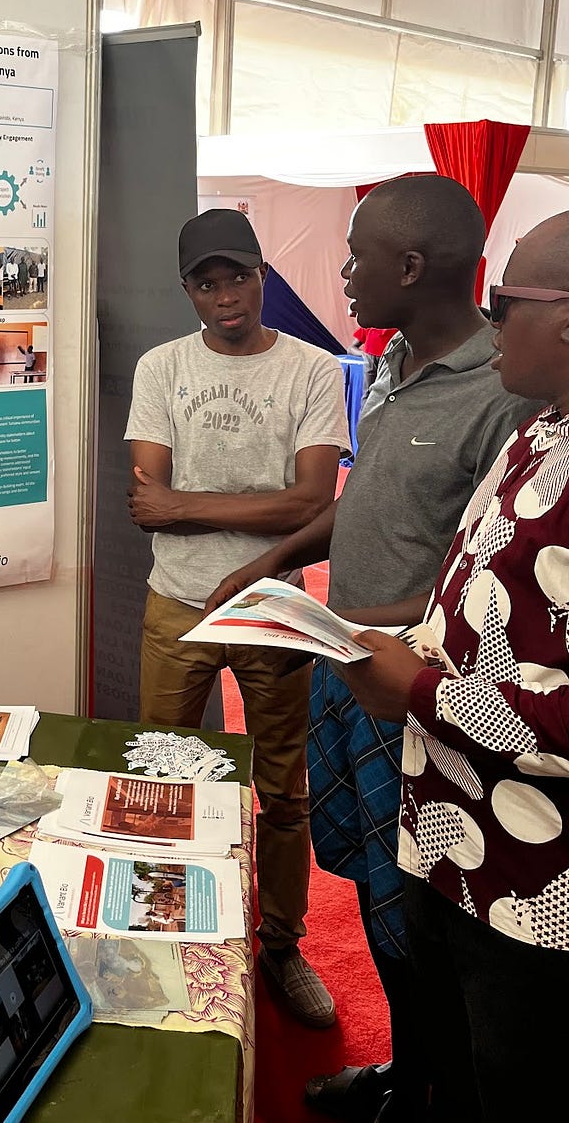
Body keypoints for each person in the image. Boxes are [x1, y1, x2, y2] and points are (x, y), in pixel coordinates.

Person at [206, 176, 537, 1122]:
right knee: (373, 891)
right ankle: (408, 1070)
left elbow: (479, 582)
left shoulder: (503, 395)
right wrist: (280, 564)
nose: (342, 275)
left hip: (421, 696)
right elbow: (370, 507)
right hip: (349, 666)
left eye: (355, 258)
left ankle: (434, 1091)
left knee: (420, 916)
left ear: (410, 266)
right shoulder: (390, 362)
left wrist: (356, 630)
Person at [335, 211, 569, 1123]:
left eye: (507, 300)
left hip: (536, 883)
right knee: (455, 1067)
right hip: (447, 832)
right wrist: (401, 651)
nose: (490, 314)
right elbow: (477, 600)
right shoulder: (539, 430)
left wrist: (420, 687)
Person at [125, 207, 350, 1028]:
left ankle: (282, 944)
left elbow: (312, 500)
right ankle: (166, 931)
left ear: (263, 276)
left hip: (273, 608)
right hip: (175, 601)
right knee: (164, 778)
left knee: (281, 790)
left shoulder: (313, 370)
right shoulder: (162, 367)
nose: (224, 296)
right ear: (188, 289)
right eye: (206, 282)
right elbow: (147, 506)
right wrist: (251, 509)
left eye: (238, 277)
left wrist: (187, 502)